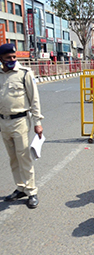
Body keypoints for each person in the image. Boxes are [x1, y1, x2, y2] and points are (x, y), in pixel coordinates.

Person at [0, 43, 43, 209]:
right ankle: (20, 188)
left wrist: (37, 122)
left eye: (14, 57)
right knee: (13, 158)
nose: (12, 60)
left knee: (24, 157)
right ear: (1, 59)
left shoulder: (24, 73)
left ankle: (31, 191)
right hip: (3, 122)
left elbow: (34, 99)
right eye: (8, 58)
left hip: (20, 121)